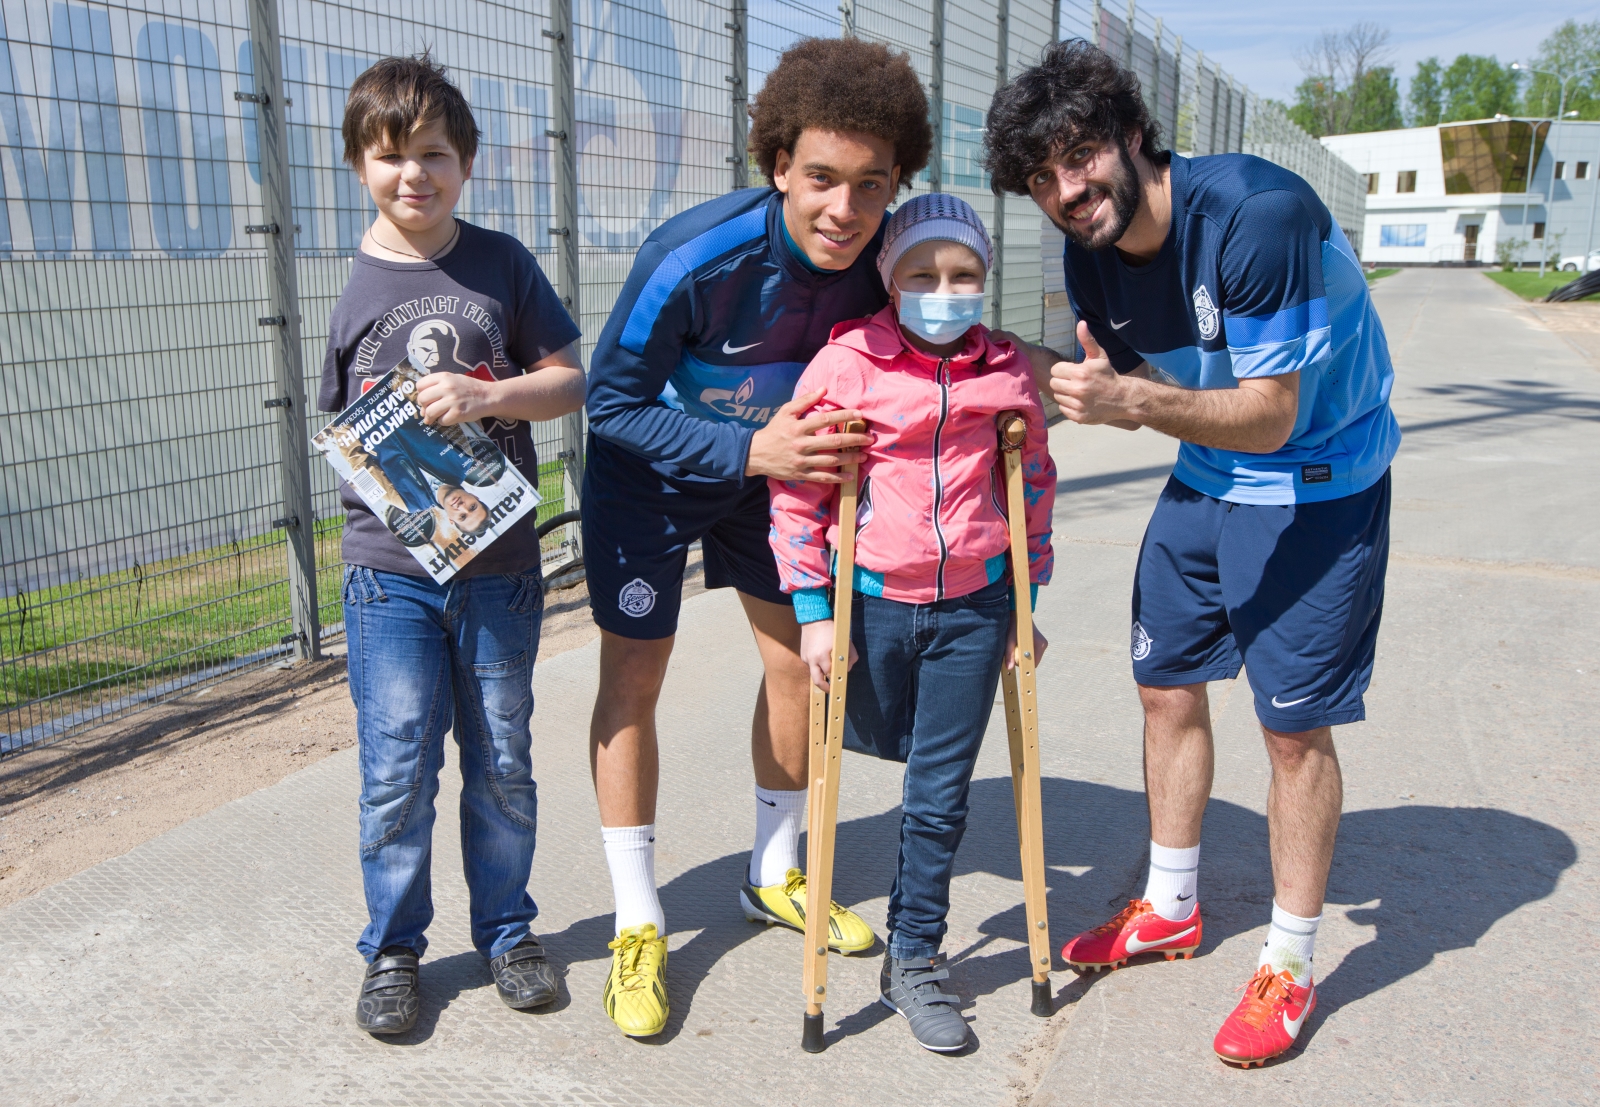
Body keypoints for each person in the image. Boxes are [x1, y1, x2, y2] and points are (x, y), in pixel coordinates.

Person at [984, 40, 1400, 1068]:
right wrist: (1003, 374)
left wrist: (1131, 405)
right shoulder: (1091, 253)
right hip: (1209, 477)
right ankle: (1170, 907)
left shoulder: (1257, 214)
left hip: (1315, 481)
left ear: (1132, 136)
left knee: (1291, 730)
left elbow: (1268, 415)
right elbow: (1128, 394)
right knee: (1165, 683)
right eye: (1040, 177)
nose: (1064, 190)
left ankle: (1289, 964)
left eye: (1078, 156)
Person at [581, 37, 933, 1038]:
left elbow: (951, 340)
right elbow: (610, 404)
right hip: (650, 481)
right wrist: (748, 450)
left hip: (770, 483)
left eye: (872, 185)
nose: (844, 209)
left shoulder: (884, 264)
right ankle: (637, 921)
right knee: (633, 683)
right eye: (821, 177)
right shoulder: (692, 257)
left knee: (806, 670)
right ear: (778, 163)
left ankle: (773, 875)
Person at [317, 54, 586, 1036]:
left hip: (502, 572)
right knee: (395, 766)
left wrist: (491, 396)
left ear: (465, 162)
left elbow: (569, 380)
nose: (412, 175)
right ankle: (392, 951)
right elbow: (341, 433)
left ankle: (509, 933)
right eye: (389, 157)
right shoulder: (349, 285)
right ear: (358, 166)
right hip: (389, 578)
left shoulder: (504, 263)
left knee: (503, 759)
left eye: (432, 154)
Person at [768, 194, 1054, 1052]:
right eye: (923, 273)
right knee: (859, 757)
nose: (944, 288)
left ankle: (915, 955)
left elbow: (1032, 484)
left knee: (938, 795)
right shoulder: (846, 364)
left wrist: (1026, 602)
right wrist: (816, 613)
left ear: (984, 279)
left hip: (974, 606)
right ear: (890, 278)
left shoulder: (1004, 371)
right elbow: (801, 493)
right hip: (874, 604)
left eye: (963, 274)